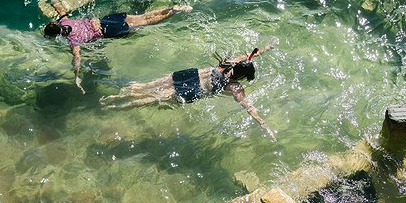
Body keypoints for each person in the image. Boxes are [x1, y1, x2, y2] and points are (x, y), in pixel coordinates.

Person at [100, 47, 276, 140]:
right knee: (153, 99)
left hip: (190, 74)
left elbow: (248, 55)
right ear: (243, 76)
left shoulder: (230, 62)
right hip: (193, 90)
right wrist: (264, 124)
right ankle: (118, 105)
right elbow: (249, 107)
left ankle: (118, 95)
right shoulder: (235, 86)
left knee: (148, 86)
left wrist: (266, 49)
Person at [43, 0, 192, 93]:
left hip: (109, 31)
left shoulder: (72, 40)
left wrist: (76, 76)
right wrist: (52, 0)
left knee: (146, 23)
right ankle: (172, 8)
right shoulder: (65, 21)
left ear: (57, 35)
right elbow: (60, 10)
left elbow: (77, 58)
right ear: (56, 24)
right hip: (106, 20)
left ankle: (172, 14)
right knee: (142, 16)